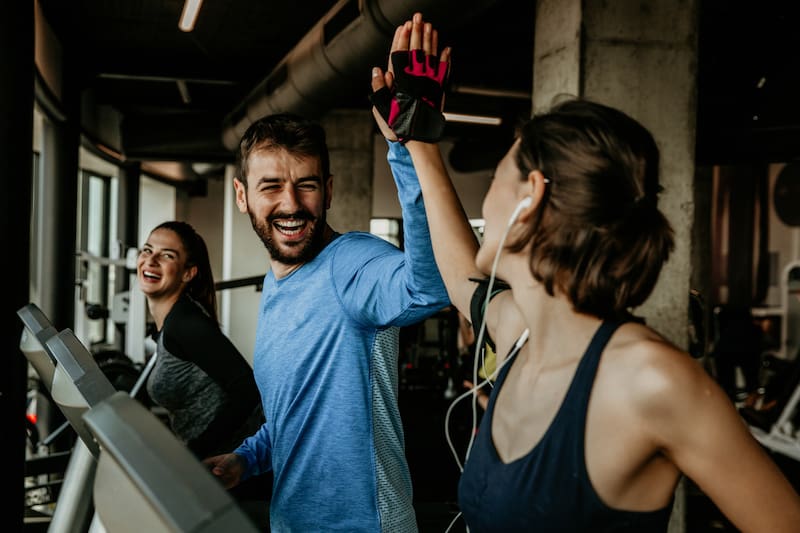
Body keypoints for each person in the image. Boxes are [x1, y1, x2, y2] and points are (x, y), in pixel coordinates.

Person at [369, 13, 800, 532]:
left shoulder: (651, 378)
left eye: (499, 176)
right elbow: (460, 272)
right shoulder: (517, 335)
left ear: (531, 196)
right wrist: (418, 140)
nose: (488, 194)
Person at [202, 56, 451, 530]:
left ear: (329, 190)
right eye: (271, 186)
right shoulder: (279, 286)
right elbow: (294, 417)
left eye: (306, 185)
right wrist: (245, 461)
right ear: (242, 195)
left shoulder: (351, 263)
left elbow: (430, 289)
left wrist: (406, 148)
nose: (291, 204)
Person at [137, 220, 271, 528]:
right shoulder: (171, 323)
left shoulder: (185, 323)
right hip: (212, 465)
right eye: (147, 250)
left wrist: (194, 451)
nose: (151, 260)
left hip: (229, 469)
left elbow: (247, 389)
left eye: (167, 255)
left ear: (188, 273)